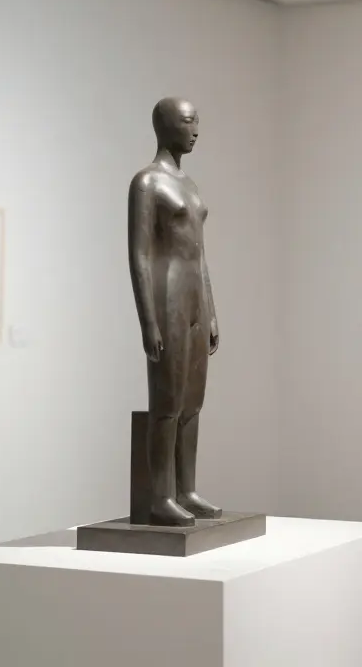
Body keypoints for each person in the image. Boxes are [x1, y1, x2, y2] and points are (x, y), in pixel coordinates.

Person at [127, 97, 223, 527]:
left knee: (193, 401)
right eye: (188, 121)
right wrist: (147, 319)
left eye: (197, 121)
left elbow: (200, 256)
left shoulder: (190, 184)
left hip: (193, 296)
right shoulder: (146, 183)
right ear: (165, 126)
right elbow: (140, 255)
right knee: (166, 399)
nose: (195, 129)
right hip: (166, 294)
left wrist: (212, 310)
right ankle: (160, 495)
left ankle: (187, 489)